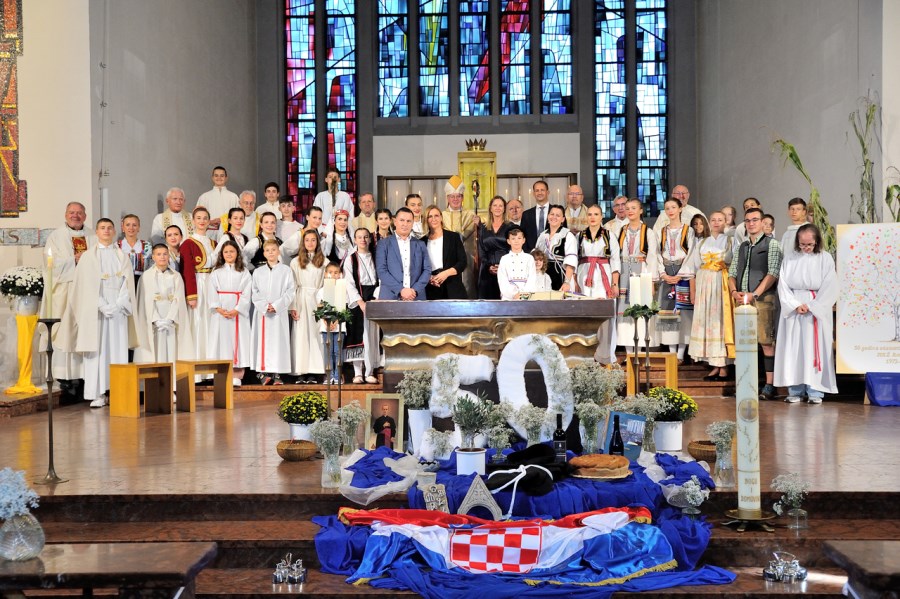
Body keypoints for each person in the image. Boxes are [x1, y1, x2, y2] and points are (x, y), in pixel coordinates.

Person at [58, 218, 138, 408]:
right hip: (97, 312)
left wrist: (118, 303)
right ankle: (97, 393)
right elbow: (85, 286)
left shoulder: (122, 255)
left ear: (113, 231)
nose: (107, 231)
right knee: (97, 352)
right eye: (103, 228)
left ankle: (118, 392)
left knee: (118, 352)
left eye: (110, 228)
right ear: (97, 231)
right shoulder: (88, 257)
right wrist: (102, 305)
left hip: (118, 311)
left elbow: (128, 282)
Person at [774, 224, 838, 404]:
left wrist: (812, 306)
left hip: (815, 306)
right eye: (802, 244)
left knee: (814, 348)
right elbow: (783, 285)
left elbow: (831, 285)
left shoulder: (825, 258)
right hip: (794, 307)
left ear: (816, 241)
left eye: (809, 244)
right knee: (793, 348)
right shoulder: (790, 258)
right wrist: (794, 304)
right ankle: (795, 390)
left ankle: (815, 391)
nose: (806, 248)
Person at [728, 206, 783, 401]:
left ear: (762, 222)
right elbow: (732, 272)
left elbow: (773, 273)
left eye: (755, 220)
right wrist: (734, 291)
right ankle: (747, 381)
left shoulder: (772, 244)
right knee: (745, 342)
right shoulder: (742, 246)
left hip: (763, 299)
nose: (751, 223)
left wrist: (755, 294)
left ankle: (770, 384)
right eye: (748, 221)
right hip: (742, 301)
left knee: (766, 342)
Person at [42, 202, 97, 386]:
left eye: (79, 213)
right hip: (64, 292)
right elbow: (51, 264)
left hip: (87, 292)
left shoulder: (93, 236)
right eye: (72, 212)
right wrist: (74, 260)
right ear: (65, 214)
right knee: (65, 332)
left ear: (85, 216)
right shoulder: (56, 236)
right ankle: (65, 379)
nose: (75, 216)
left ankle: (85, 378)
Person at [680, 211, 734, 380]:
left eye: (720, 219)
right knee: (707, 322)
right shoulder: (702, 242)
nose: (716, 222)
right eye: (713, 220)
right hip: (704, 284)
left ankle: (723, 366)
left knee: (719, 322)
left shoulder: (731, 241)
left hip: (721, 283)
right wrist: (693, 292)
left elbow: (735, 264)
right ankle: (714, 365)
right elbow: (693, 268)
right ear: (709, 222)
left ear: (726, 222)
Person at [134, 244, 194, 370]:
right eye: (159, 254)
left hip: (171, 321)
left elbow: (178, 298)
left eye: (165, 254)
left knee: (171, 352)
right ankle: (153, 386)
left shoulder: (176, 276)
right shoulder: (146, 276)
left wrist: (170, 318)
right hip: (153, 322)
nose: (162, 257)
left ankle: (171, 385)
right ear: (153, 257)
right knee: (154, 352)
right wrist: (156, 319)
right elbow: (144, 301)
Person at [575, 204, 621, 364]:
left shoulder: (609, 235)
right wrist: (574, 281)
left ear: (602, 217)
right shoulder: (580, 236)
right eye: (590, 214)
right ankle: (586, 354)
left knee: (605, 316)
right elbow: (574, 260)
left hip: (603, 277)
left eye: (596, 214)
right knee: (585, 315)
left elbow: (615, 260)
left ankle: (606, 354)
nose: (592, 217)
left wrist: (615, 283)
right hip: (584, 275)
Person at [616, 198, 661, 353]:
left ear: (641, 210)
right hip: (623, 271)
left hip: (641, 271)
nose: (630, 211)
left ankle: (640, 350)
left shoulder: (648, 232)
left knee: (640, 309)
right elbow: (616, 253)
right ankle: (629, 351)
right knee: (624, 310)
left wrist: (652, 282)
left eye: (633, 208)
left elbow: (653, 257)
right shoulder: (621, 231)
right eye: (627, 208)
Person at [207, 241, 252, 387]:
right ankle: (220, 374)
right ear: (222, 254)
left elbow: (247, 292)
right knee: (221, 340)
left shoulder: (244, 272)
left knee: (238, 342)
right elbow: (211, 291)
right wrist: (218, 309)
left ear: (237, 253)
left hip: (237, 311)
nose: (229, 254)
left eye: (232, 251)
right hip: (220, 312)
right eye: (226, 252)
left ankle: (237, 375)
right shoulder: (216, 272)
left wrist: (237, 309)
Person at [656, 197, 696, 362]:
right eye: (667, 208)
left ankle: (681, 352)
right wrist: (663, 274)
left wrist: (681, 274)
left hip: (682, 272)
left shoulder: (688, 230)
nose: (670, 211)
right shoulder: (662, 231)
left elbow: (692, 253)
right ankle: (671, 352)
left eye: (673, 207)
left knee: (684, 314)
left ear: (680, 209)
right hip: (667, 271)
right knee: (668, 313)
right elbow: (656, 253)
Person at [252, 240, 295, 385]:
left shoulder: (286, 270)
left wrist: (276, 305)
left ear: (278, 251)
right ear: (264, 253)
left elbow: (290, 291)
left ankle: (277, 373)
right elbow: (255, 291)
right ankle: (263, 372)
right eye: (267, 250)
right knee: (262, 341)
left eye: (273, 250)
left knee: (278, 341)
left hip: (278, 312)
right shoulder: (258, 272)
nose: (270, 252)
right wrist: (264, 306)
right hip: (263, 313)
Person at [179, 207, 217, 367]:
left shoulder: (214, 243)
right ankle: (197, 366)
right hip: (198, 284)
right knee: (198, 322)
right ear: (193, 221)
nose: (202, 221)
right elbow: (187, 269)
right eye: (199, 218)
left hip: (212, 285)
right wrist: (191, 295)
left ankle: (211, 365)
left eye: (205, 218)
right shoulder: (188, 243)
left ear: (209, 221)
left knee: (211, 322)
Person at [343, 228, 380, 384]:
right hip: (358, 298)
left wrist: (376, 297)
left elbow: (381, 278)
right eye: (359, 237)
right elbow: (349, 283)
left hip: (374, 296)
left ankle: (370, 371)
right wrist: (360, 302)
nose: (363, 240)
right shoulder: (350, 259)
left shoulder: (376, 257)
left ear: (369, 239)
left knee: (372, 335)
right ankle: (358, 372)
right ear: (355, 239)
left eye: (366, 237)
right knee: (358, 335)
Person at [290, 230, 326, 383]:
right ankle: (301, 371)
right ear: (303, 243)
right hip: (301, 299)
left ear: (317, 243)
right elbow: (291, 285)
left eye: (313, 240)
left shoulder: (324, 261)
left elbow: (326, 284)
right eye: (307, 240)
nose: (310, 243)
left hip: (317, 300)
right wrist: (293, 306)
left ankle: (315, 371)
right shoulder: (295, 262)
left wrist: (324, 306)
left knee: (316, 335)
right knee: (301, 335)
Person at [375, 207, 431, 300]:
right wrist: (401, 290)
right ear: (395, 221)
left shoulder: (420, 244)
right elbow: (381, 271)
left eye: (409, 221)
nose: (405, 224)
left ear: (413, 223)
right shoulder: (383, 244)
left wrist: (414, 290)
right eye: (402, 220)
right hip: (390, 296)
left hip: (416, 296)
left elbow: (427, 270)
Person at [441, 176, 478, 298]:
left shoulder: (471, 215)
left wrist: (479, 225)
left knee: (468, 286)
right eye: (452, 196)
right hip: (446, 259)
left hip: (467, 257)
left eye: (458, 196)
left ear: (462, 197)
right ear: (447, 198)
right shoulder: (441, 216)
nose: (455, 199)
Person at [424, 205, 468, 300]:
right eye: (430, 216)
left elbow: (462, 262)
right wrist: (429, 277)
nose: (433, 219)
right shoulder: (422, 241)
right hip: (432, 288)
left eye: (436, 215)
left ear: (441, 217)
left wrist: (446, 273)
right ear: (426, 220)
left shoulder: (453, 237)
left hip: (453, 286)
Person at [317, 262, 347, 384]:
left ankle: (337, 375)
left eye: (336, 273)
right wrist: (327, 321)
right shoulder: (322, 291)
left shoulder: (342, 289)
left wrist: (337, 321)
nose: (333, 275)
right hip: (326, 327)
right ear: (325, 274)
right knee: (328, 351)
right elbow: (320, 308)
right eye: (330, 272)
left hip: (340, 326)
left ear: (340, 275)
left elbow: (344, 308)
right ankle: (329, 375)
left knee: (337, 351)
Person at [536, 204, 577, 292]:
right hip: (543, 275)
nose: (554, 217)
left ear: (563, 219)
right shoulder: (542, 236)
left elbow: (571, 261)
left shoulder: (567, 235)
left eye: (558, 215)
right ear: (548, 216)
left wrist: (567, 282)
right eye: (552, 214)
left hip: (561, 275)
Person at [477, 196, 510, 299]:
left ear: (504, 208)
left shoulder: (510, 226)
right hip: (486, 269)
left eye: (500, 205)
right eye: (495, 205)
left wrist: (502, 266)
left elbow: (513, 248)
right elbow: (481, 249)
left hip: (506, 269)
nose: (497, 208)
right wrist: (488, 266)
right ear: (490, 208)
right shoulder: (483, 227)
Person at [196, 166, 240, 239]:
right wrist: (209, 222)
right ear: (212, 178)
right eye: (216, 175)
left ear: (226, 178)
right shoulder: (204, 197)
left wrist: (223, 221)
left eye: (222, 176)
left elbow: (239, 216)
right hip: (209, 233)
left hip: (228, 233)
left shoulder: (233, 197)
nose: (219, 178)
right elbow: (197, 216)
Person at [497, 226, 536, 300]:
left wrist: (522, 295)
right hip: (508, 297)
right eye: (513, 238)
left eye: (519, 238)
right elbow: (502, 280)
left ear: (523, 240)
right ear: (508, 241)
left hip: (526, 298)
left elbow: (532, 279)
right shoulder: (504, 259)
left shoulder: (529, 258)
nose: (516, 241)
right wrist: (514, 294)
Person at [118, 214, 151, 288]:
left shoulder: (147, 245)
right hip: (122, 283)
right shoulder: (117, 246)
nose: (131, 228)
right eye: (128, 225)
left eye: (134, 225)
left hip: (143, 283)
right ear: (123, 228)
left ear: (139, 228)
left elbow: (151, 266)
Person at [521, 180, 551, 250]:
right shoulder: (526, 214)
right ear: (533, 193)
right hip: (531, 254)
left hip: (552, 254)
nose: (539, 193)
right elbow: (522, 235)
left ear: (548, 192)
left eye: (542, 190)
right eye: (537, 190)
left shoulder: (556, 212)